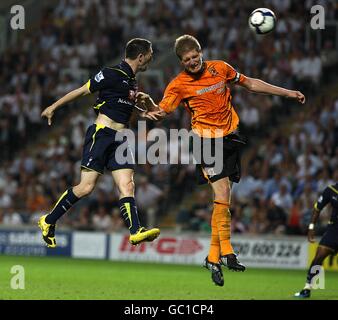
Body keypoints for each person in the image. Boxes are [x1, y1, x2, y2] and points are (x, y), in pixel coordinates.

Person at [141, 35, 305, 286]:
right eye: (187, 60)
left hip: (229, 138)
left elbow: (250, 83)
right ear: (181, 62)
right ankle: (226, 251)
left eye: (195, 56)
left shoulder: (221, 68)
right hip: (204, 141)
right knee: (221, 191)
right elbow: (162, 111)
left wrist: (287, 93)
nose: (193, 62)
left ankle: (213, 257)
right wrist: (150, 107)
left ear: (200, 52)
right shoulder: (178, 84)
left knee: (224, 199)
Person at [38, 38, 160, 248]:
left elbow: (128, 107)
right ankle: (48, 221)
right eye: (150, 53)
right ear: (141, 56)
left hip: (122, 139)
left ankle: (135, 231)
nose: (152, 57)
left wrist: (146, 105)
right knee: (86, 188)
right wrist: (53, 107)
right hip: (102, 134)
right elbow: (83, 90)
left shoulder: (132, 82)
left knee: (128, 185)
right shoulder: (112, 73)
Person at [295, 182, 338, 298]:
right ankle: (307, 288)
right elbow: (317, 208)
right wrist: (311, 227)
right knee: (318, 257)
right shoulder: (331, 190)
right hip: (334, 230)